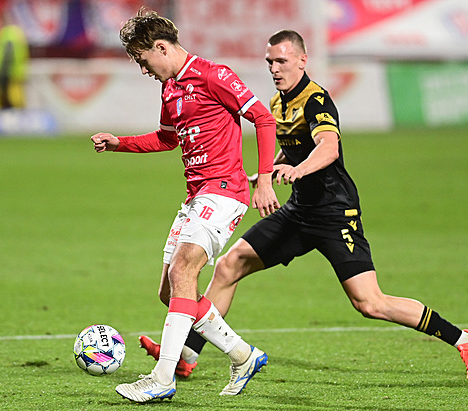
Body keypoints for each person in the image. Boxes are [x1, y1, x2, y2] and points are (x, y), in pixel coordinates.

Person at [140, 29, 468, 381]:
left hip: (334, 212)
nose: (274, 69)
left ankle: (464, 339)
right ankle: (186, 354)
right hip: (299, 211)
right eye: (270, 62)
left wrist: (298, 170)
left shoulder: (315, 99)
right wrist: (272, 168)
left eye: (281, 61)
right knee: (230, 265)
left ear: (302, 61)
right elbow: (294, 146)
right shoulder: (279, 102)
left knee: (369, 302)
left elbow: (328, 148)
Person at [90, 9, 280, 403]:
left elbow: (263, 119)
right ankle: (243, 355)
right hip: (196, 197)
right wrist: (119, 143)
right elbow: (167, 138)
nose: (144, 69)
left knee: (183, 269)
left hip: (224, 191)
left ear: (161, 47)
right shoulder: (170, 89)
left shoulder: (214, 75)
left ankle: (162, 378)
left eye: (144, 60)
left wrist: (264, 179)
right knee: (171, 291)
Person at [0, 17, 29, 109]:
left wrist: (2, 75)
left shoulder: (7, 35)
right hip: (16, 73)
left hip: (5, 74)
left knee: (7, 101)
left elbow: (7, 57)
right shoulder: (18, 34)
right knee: (17, 101)